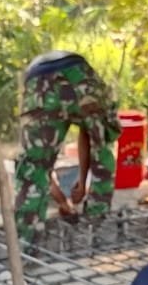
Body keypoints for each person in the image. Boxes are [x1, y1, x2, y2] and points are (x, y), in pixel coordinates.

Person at [13, 50, 119, 244]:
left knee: (33, 167)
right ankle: (95, 231)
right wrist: (75, 188)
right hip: (81, 77)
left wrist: (65, 198)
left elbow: (38, 170)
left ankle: (25, 246)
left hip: (40, 81)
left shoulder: (34, 89)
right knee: (102, 149)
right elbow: (89, 136)